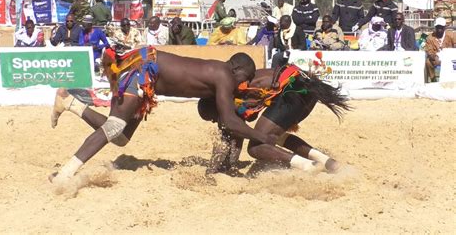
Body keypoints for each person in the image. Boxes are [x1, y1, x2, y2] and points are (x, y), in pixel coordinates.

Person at [49, 50, 276, 183]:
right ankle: (64, 174)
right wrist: (263, 138)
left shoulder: (220, 74)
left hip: (148, 73)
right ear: (236, 68)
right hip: (146, 69)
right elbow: (229, 120)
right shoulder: (224, 75)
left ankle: (69, 103)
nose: (242, 83)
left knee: (121, 137)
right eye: (244, 77)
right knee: (114, 128)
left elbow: (222, 119)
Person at [198, 62, 350, 174]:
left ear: (215, 107)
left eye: (212, 118)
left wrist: (216, 168)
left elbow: (236, 133)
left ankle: (308, 166)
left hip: (292, 91)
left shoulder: (227, 95)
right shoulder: (233, 93)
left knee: (255, 147)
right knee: (274, 136)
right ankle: (327, 162)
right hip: (305, 88)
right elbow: (240, 131)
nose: (215, 121)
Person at [425, 17, 456, 82]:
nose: (439, 29)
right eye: (438, 27)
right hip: (437, 59)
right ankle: (433, 80)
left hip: (450, 58)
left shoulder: (451, 35)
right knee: (428, 61)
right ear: (435, 27)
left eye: (441, 27)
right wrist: (433, 56)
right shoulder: (430, 38)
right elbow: (429, 51)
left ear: (444, 27)